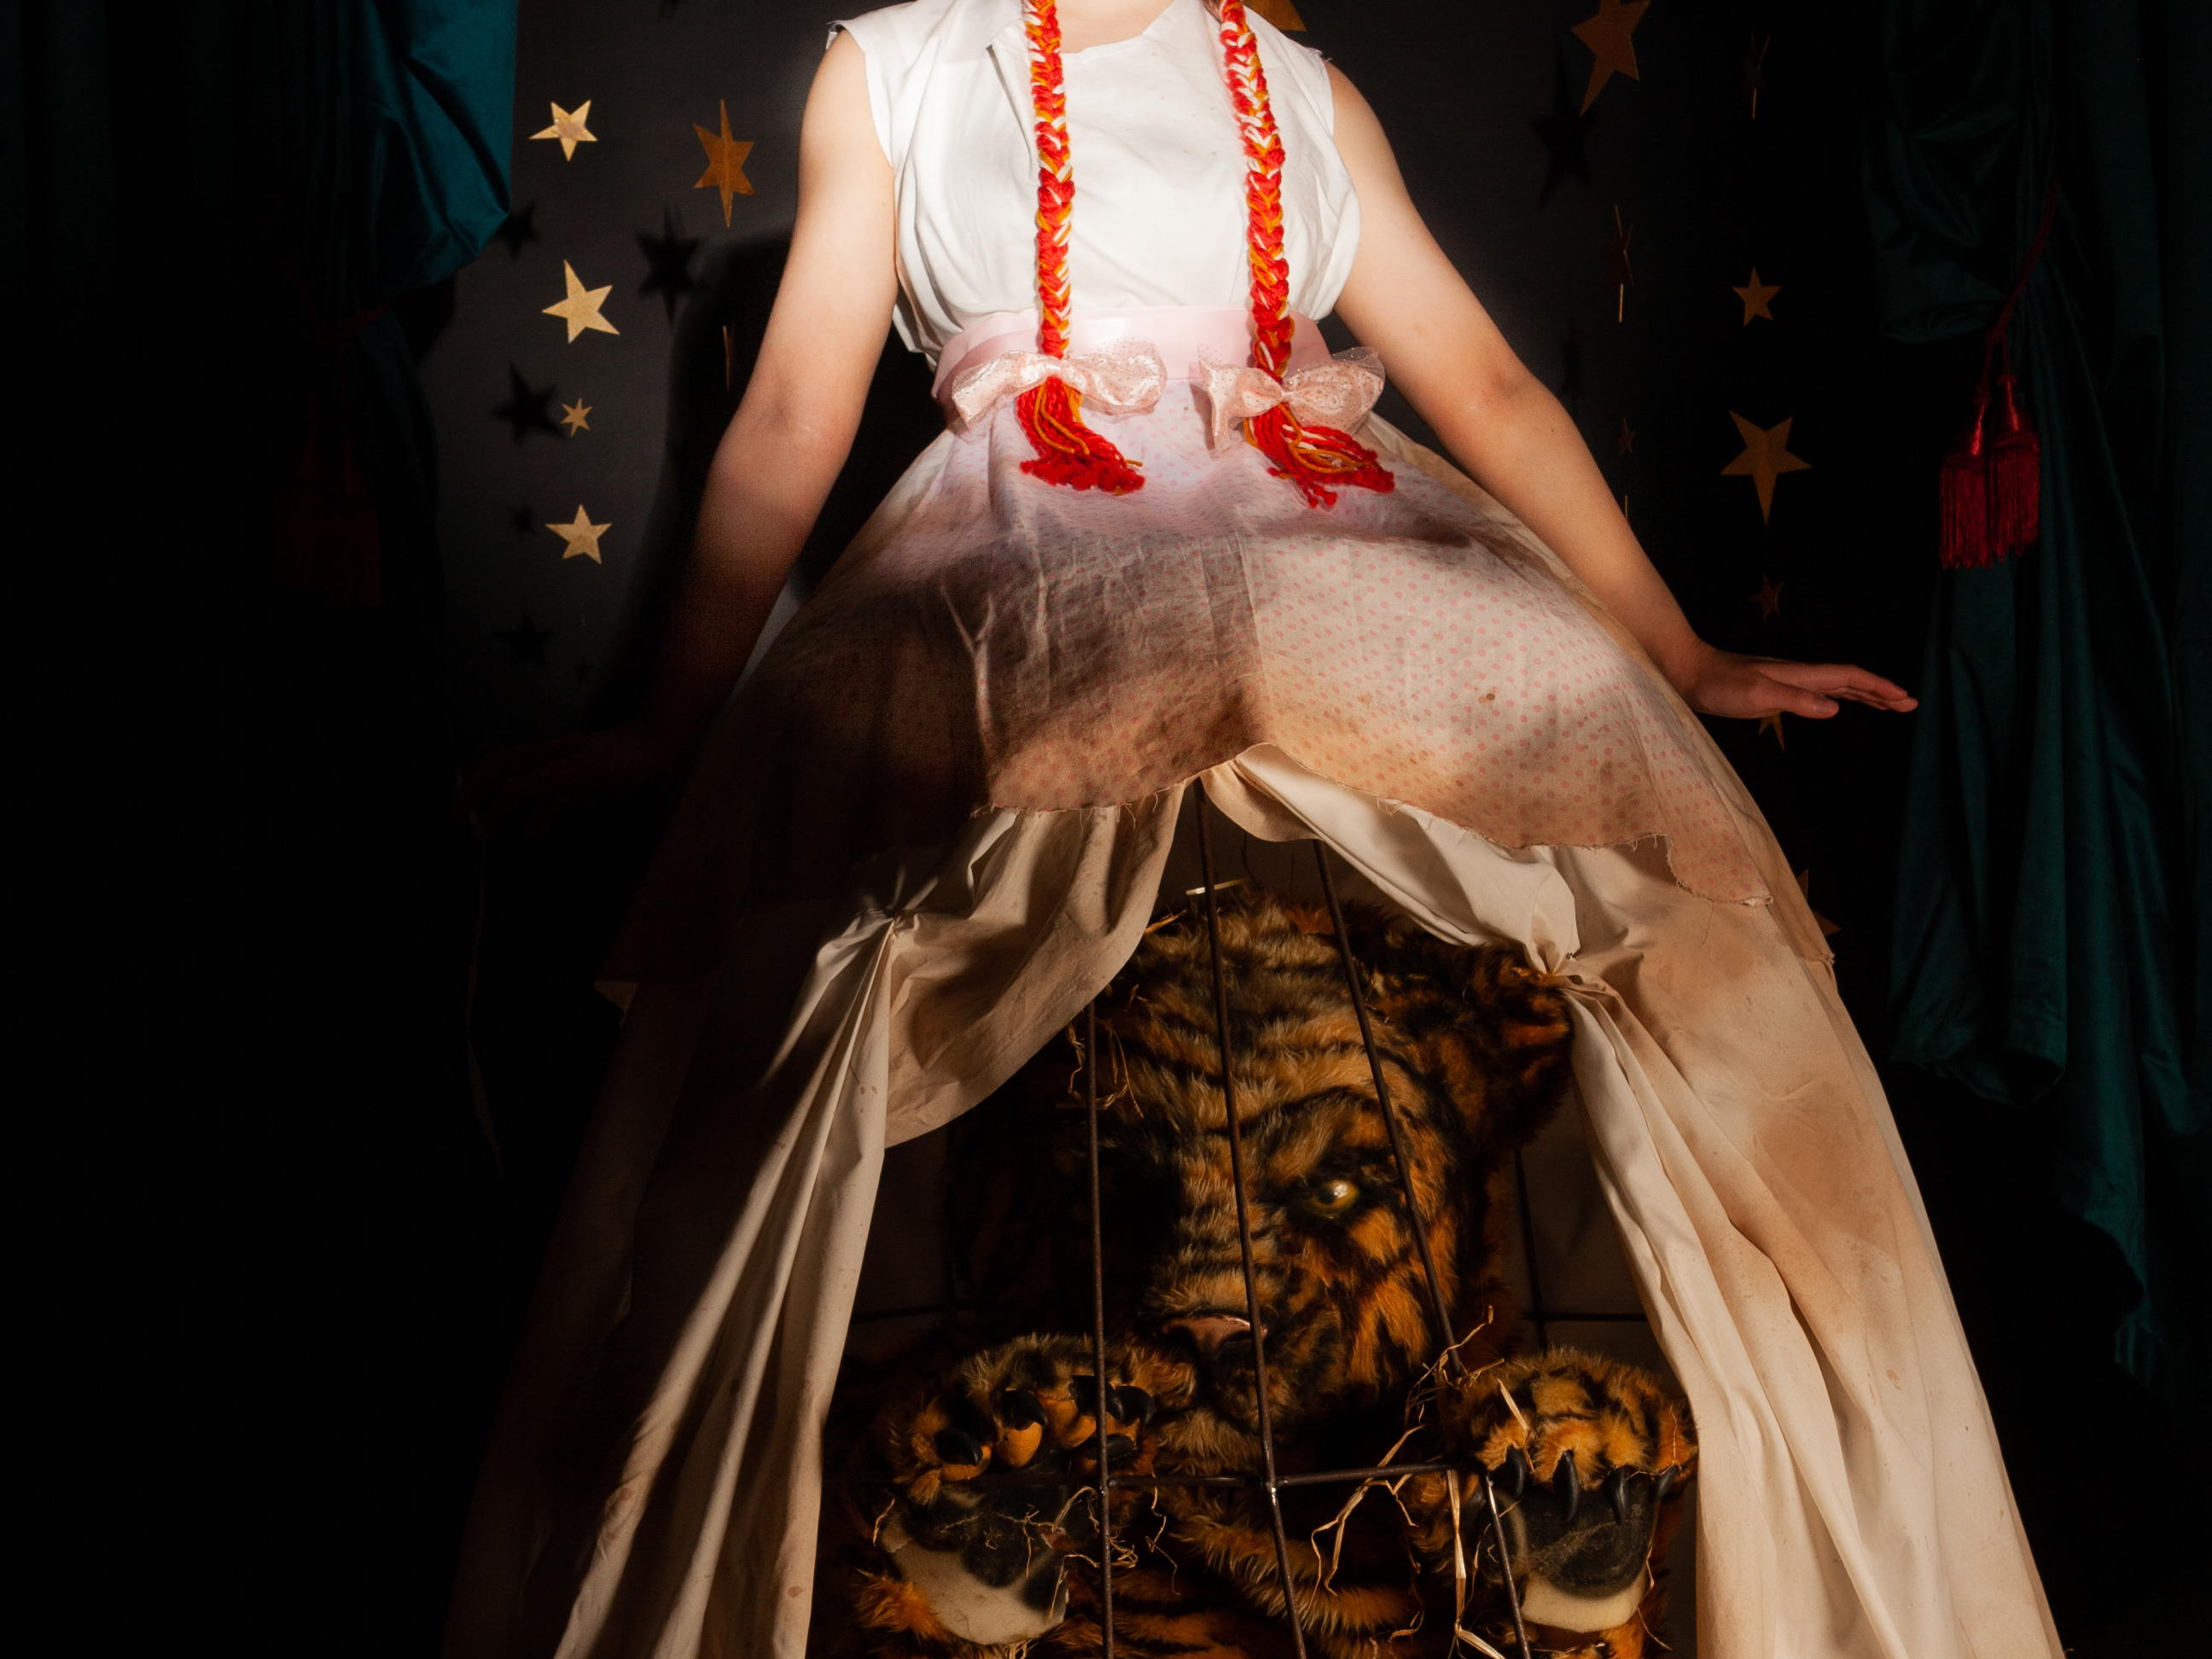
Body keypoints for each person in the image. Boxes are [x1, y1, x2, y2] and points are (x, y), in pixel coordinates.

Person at [446, 5, 2058, 1657]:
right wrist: (674, 724)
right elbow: (795, 403)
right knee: (961, 783)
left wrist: (1680, 654)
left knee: (1546, 716)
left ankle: (1511, 1487)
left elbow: (1487, 384)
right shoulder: (904, 67)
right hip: (1027, 543)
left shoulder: (1299, 88)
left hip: (1312, 522)